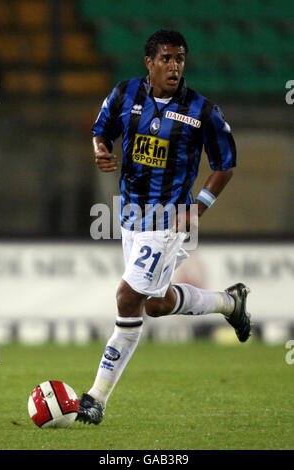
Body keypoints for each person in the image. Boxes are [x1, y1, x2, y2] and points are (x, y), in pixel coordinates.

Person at [77, 30, 251, 425]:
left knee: (126, 298)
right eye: (167, 59)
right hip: (131, 219)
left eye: (180, 59)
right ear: (149, 63)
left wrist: (197, 209)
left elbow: (225, 164)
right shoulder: (125, 95)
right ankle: (229, 303)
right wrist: (101, 151)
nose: (175, 67)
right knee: (154, 304)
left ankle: (95, 398)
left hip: (169, 221)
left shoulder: (202, 111)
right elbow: (100, 130)